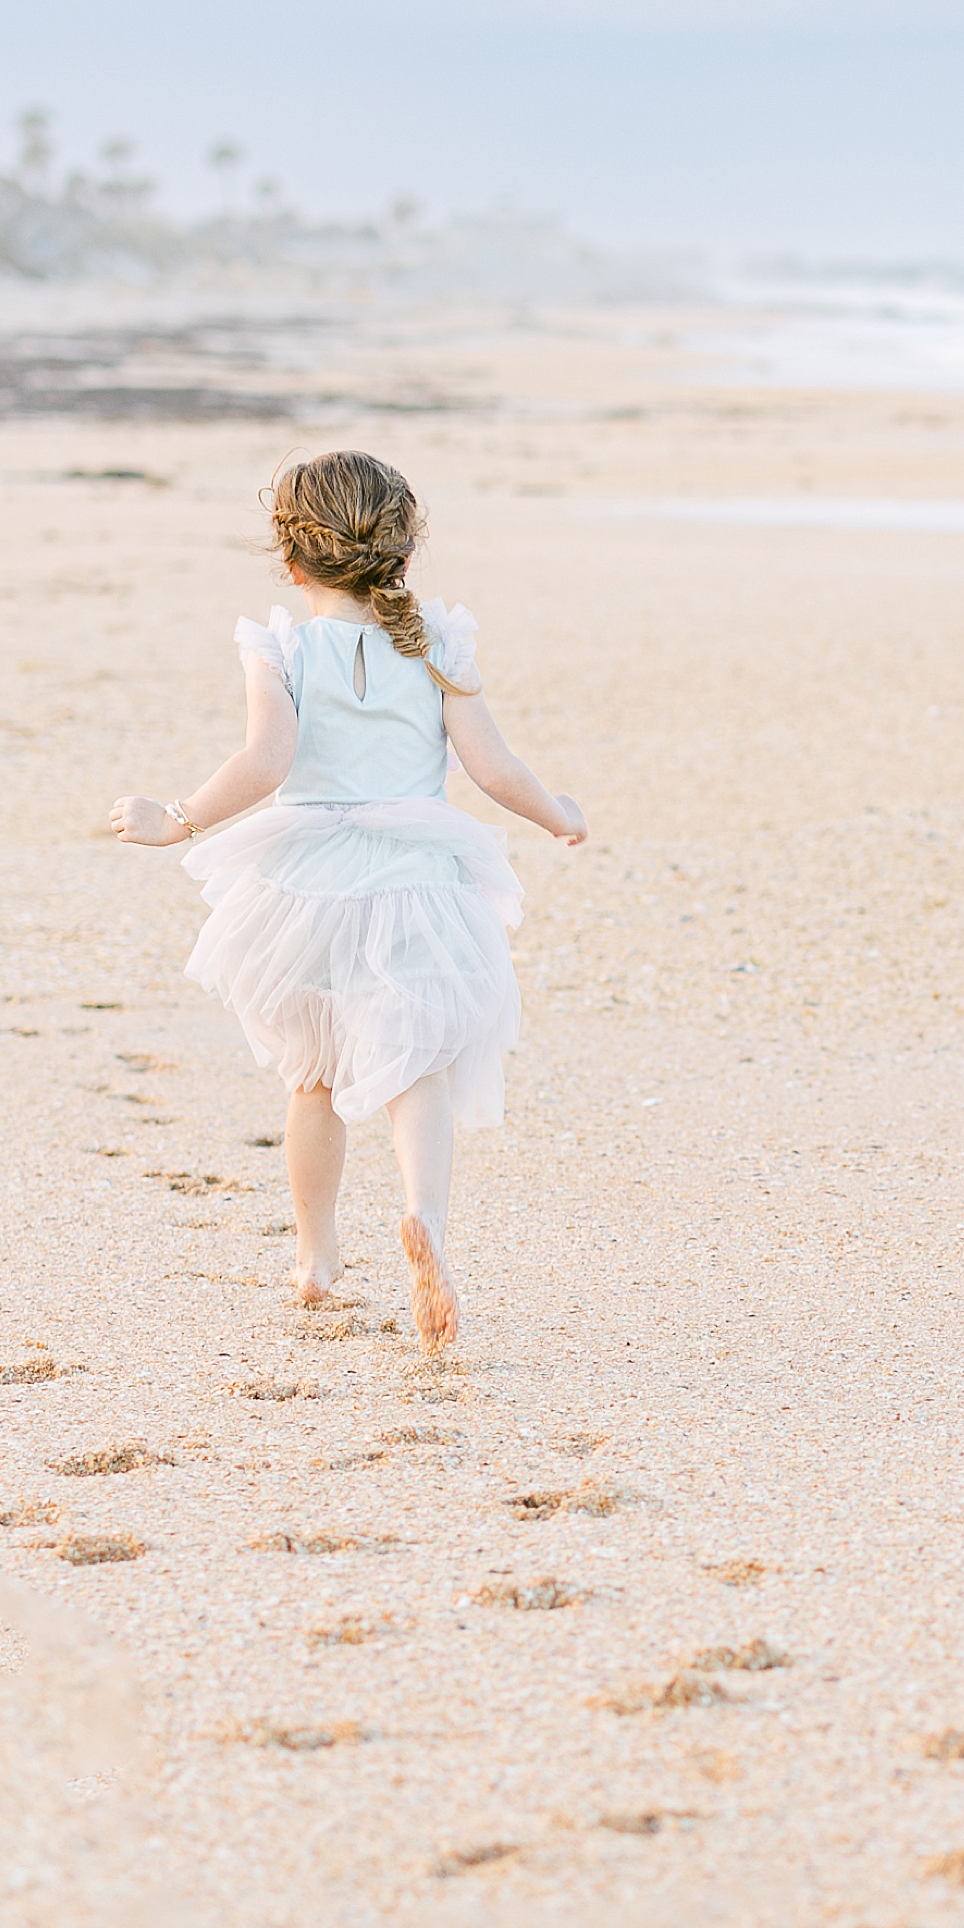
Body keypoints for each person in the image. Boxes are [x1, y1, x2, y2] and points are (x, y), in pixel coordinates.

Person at [106, 448, 585, 1353]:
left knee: (314, 1075)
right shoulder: (436, 643)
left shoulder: (280, 647)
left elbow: (265, 763)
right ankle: (423, 1219)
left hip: (307, 885)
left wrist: (177, 819)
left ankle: (317, 1258)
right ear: (402, 556)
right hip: (416, 880)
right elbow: (491, 768)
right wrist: (557, 812)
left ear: (291, 561)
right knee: (420, 1062)